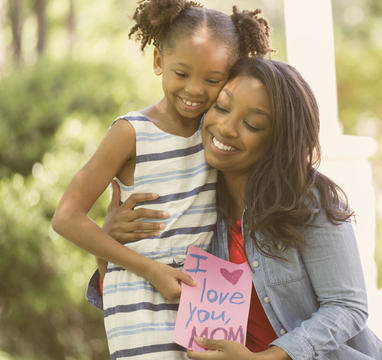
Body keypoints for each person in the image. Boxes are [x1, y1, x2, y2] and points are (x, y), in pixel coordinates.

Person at [99, 58, 382, 359]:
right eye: (222, 108)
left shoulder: (309, 202)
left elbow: (347, 306)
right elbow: (130, 298)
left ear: (278, 141)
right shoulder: (194, 202)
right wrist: (106, 246)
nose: (225, 128)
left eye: (252, 124)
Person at [52, 0, 272, 358]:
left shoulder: (219, 137)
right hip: (141, 294)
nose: (195, 90)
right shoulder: (131, 133)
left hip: (206, 297)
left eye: (212, 80)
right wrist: (148, 269)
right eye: (181, 74)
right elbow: (66, 217)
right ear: (158, 62)